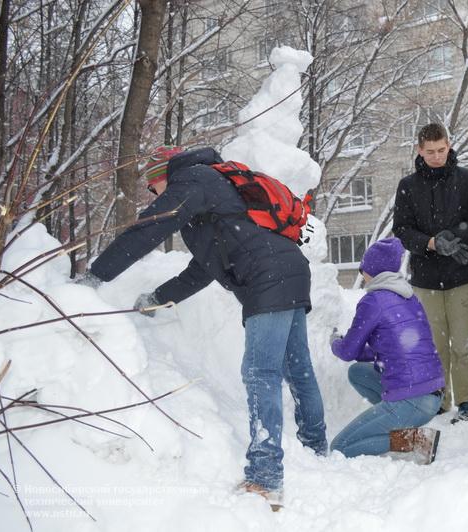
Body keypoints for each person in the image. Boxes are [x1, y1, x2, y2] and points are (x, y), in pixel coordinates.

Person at [78, 146, 327, 510]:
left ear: (162, 175)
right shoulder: (213, 194)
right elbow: (202, 270)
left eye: (151, 187)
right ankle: (316, 450)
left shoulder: (193, 179)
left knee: (261, 373)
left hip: (267, 278)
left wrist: (94, 277)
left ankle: (265, 477)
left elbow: (147, 229)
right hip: (288, 271)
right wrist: (157, 299)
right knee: (297, 369)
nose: (152, 195)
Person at [392, 123, 468, 422]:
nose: (437, 157)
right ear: (419, 151)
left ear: (449, 145)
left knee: (463, 342)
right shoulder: (408, 186)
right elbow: (401, 229)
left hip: (463, 275)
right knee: (434, 344)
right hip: (425, 278)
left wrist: (457, 234)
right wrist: (432, 243)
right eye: (430, 152)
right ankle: (438, 397)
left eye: (441, 150)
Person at [330, 238, 444, 464]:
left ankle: (417, 440)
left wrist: (334, 340)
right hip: (433, 394)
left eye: (363, 268)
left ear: (372, 270)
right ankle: (394, 420)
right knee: (357, 373)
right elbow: (389, 349)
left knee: (340, 447)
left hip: (412, 398)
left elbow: (346, 352)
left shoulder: (372, 301)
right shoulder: (409, 296)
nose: (362, 273)